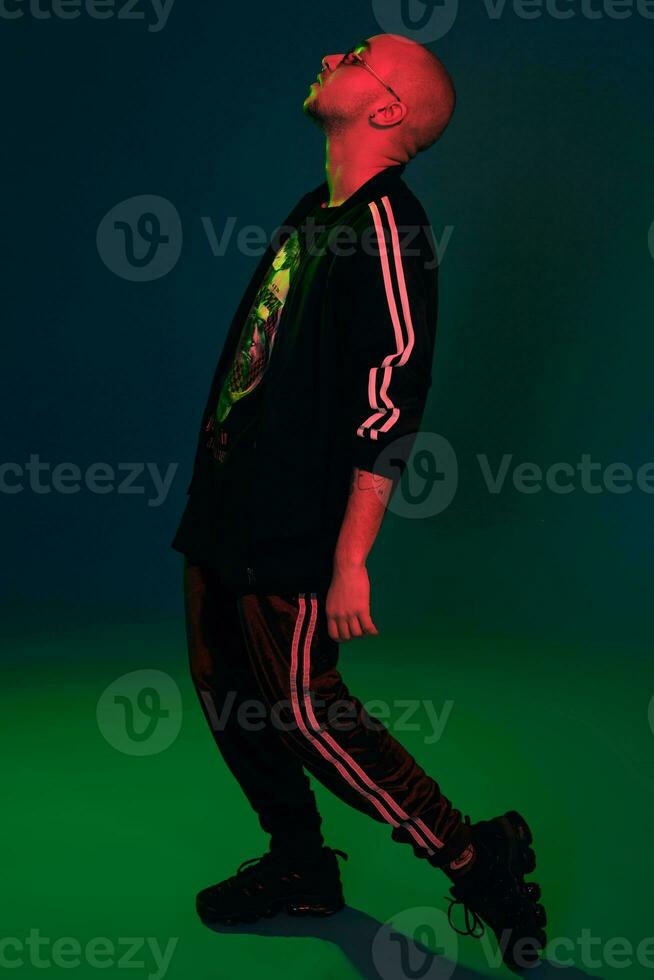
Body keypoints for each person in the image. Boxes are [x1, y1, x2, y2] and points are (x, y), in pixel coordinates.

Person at [172, 33, 546, 969]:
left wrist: (348, 558)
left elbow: (391, 393)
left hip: (290, 528)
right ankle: (300, 863)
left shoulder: (389, 225)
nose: (330, 53)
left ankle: (476, 855)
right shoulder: (316, 211)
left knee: (303, 708)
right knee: (228, 696)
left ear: (384, 108)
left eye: (355, 53)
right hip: (228, 510)